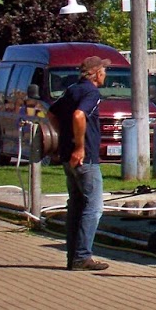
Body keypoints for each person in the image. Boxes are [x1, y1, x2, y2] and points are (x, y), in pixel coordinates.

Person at [49, 56, 110, 271]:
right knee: (93, 207)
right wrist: (79, 146)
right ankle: (83, 256)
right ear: (96, 73)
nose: (105, 74)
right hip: (86, 158)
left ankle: (73, 257)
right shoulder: (91, 93)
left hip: (68, 157)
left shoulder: (72, 90)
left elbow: (52, 113)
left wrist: (61, 140)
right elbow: (78, 115)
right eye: (104, 70)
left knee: (76, 206)